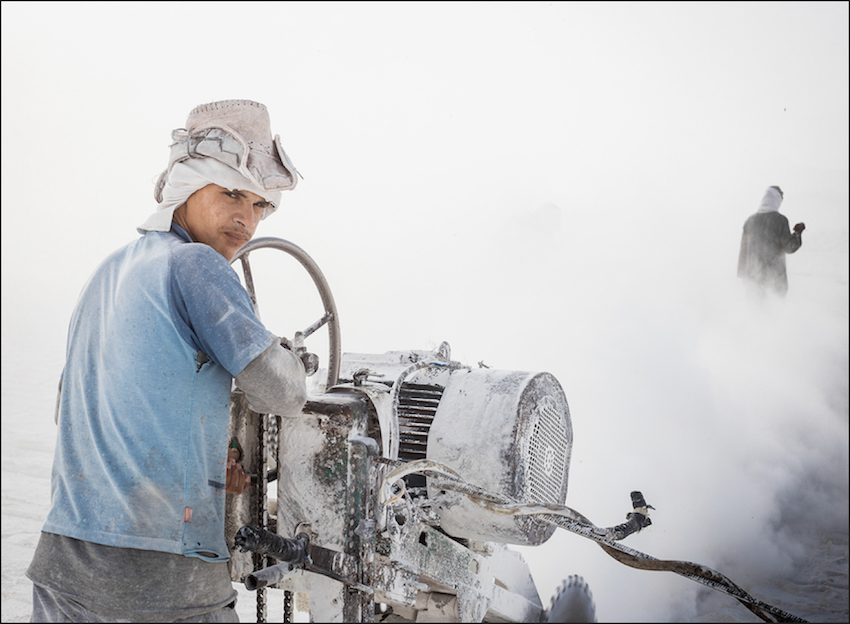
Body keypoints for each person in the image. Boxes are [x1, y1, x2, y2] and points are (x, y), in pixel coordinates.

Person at [26, 100, 313, 623]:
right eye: (231, 195)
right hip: (161, 581)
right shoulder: (197, 264)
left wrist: (198, 465)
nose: (246, 219)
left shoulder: (107, 273)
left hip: (62, 565)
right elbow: (281, 392)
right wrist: (286, 355)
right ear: (188, 188)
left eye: (259, 205)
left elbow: (85, 409)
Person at [737, 185, 805, 298]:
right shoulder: (780, 220)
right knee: (773, 312)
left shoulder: (749, 221)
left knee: (755, 312)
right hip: (774, 279)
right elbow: (790, 247)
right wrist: (798, 233)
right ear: (776, 200)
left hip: (753, 279)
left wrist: (744, 276)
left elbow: (743, 251)